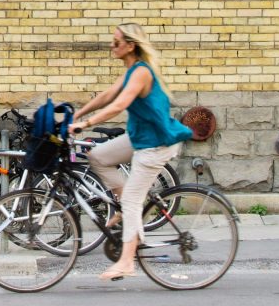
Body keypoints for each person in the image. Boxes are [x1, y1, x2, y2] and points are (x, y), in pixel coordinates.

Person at [69, 22, 192, 281]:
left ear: (130, 45)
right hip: (138, 137)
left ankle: (126, 262)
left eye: (116, 42)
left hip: (156, 144)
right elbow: (108, 96)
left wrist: (87, 124)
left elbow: (119, 104)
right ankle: (124, 204)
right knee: (97, 156)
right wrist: (77, 114)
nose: (111, 46)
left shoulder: (142, 72)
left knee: (133, 201)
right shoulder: (131, 71)